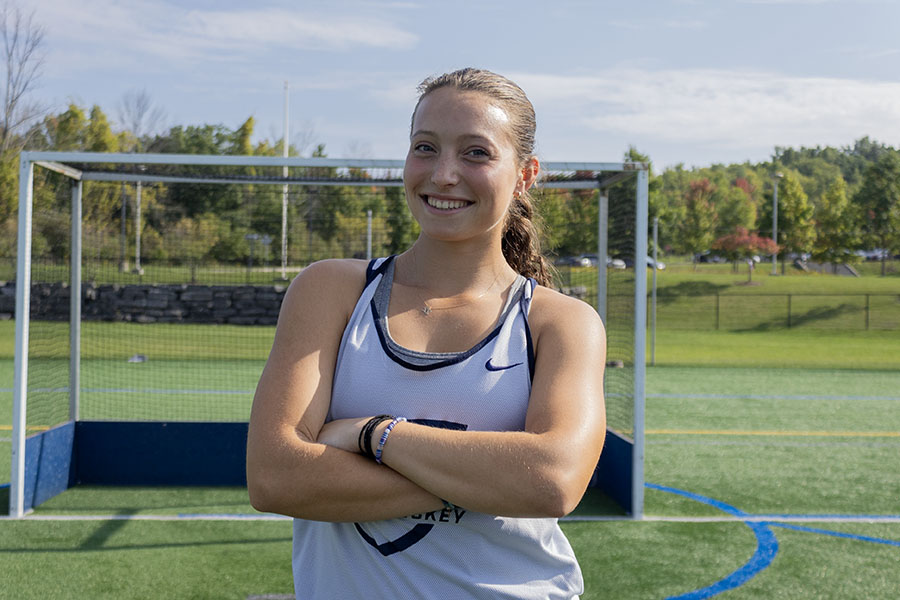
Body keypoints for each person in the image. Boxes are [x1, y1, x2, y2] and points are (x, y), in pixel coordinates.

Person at [247, 67, 607, 599]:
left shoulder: (560, 322)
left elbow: (552, 481)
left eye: (476, 153)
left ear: (526, 173)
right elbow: (276, 476)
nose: (442, 174)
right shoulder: (330, 290)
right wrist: (487, 478)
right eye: (425, 147)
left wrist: (374, 435)